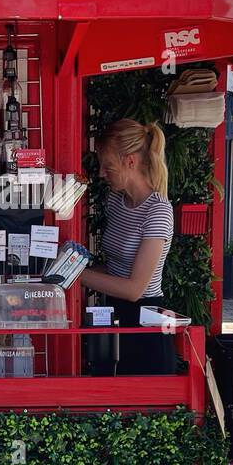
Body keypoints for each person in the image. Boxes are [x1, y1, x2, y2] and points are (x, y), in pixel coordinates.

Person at [80, 119, 175, 375]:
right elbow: (115, 267)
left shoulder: (158, 211)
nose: (101, 173)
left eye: (107, 166)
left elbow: (135, 289)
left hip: (145, 325)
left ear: (130, 161)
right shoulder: (116, 200)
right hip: (113, 316)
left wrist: (76, 276)